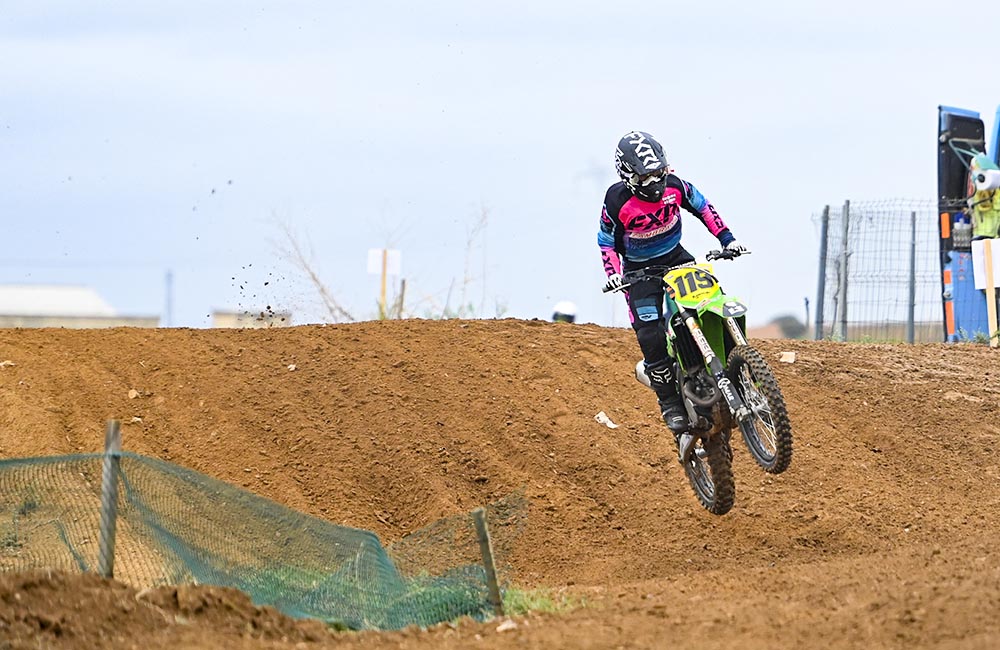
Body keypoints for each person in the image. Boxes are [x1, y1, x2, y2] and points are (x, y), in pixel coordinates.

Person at [598, 130, 747, 437]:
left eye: (658, 173)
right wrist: (613, 273)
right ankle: (670, 403)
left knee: (712, 301)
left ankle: (738, 370)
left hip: (677, 257)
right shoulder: (616, 200)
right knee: (650, 333)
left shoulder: (676, 186)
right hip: (639, 271)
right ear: (628, 175)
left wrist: (727, 239)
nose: (654, 182)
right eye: (645, 177)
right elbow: (606, 241)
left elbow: (703, 206)